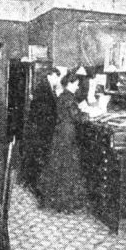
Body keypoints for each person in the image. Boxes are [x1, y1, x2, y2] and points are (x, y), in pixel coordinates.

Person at [37, 71, 89, 212]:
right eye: (76, 84)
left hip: (60, 132)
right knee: (67, 167)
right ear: (70, 83)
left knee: (58, 165)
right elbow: (77, 117)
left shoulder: (63, 96)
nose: (78, 87)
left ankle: (55, 200)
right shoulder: (69, 98)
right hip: (67, 134)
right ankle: (65, 203)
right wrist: (88, 114)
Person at [21, 67, 65, 194]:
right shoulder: (44, 89)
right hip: (41, 130)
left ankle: (31, 183)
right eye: (56, 77)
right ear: (50, 75)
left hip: (39, 129)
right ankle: (34, 185)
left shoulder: (45, 87)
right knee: (38, 157)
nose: (57, 80)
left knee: (36, 157)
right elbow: (44, 112)